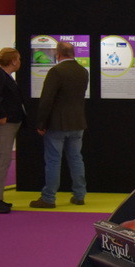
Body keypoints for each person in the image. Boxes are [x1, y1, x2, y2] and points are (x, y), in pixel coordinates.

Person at [30, 41, 88, 209]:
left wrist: (41, 123)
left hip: (57, 123)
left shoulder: (56, 71)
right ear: (73, 53)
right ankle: (79, 195)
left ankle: (49, 198)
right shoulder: (83, 71)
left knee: (54, 161)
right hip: (78, 122)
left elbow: (46, 100)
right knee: (76, 159)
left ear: (58, 54)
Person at [0, 48, 26, 214]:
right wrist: (0, 115)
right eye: (19, 59)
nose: (20, 62)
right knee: (2, 160)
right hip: (2, 125)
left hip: (7, 123)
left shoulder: (2, 76)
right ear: (13, 61)